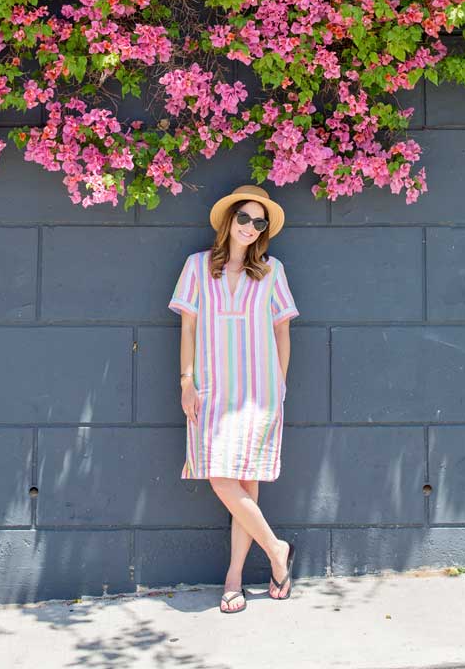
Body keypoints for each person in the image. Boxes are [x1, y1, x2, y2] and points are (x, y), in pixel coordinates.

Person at [168, 183, 299, 614]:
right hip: (211, 389)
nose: (250, 226)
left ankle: (234, 579)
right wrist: (186, 379)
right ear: (228, 221)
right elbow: (187, 327)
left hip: (260, 393)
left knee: (247, 481)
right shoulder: (196, 266)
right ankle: (277, 550)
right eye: (243, 217)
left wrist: (279, 383)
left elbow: (282, 329)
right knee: (218, 474)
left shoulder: (273, 271)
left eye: (258, 221)